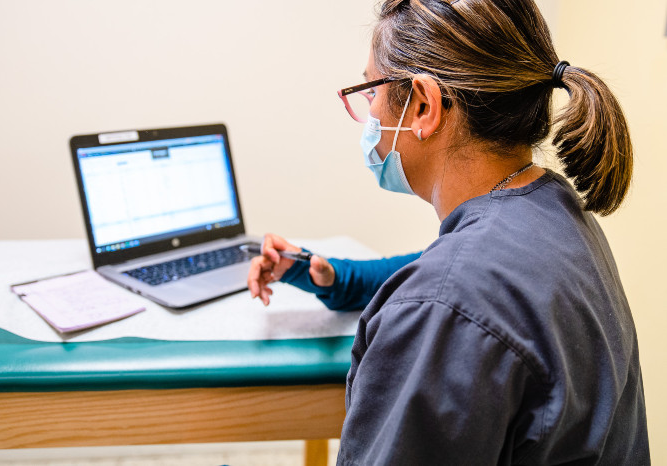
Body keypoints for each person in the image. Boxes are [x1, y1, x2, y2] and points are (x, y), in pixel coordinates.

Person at [247, 0, 650, 463]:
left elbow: (444, 298)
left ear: (423, 105)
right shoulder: (551, 211)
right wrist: (334, 276)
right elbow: (442, 277)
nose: (370, 114)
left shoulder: (445, 304)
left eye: (371, 92)